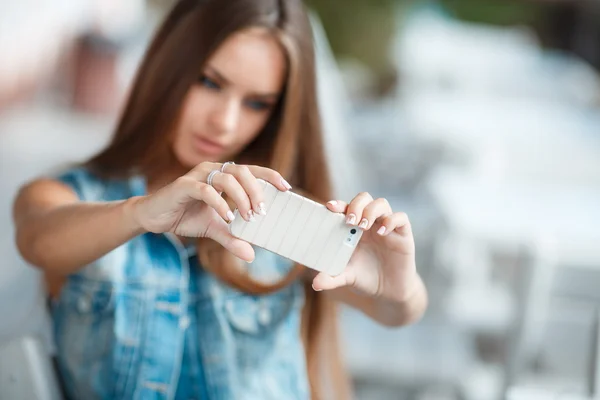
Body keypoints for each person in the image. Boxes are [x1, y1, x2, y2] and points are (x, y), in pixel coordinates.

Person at [12, 0, 428, 399]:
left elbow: (395, 313)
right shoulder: (73, 195)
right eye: (210, 82)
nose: (224, 122)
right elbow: (39, 240)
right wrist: (141, 212)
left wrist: (399, 288)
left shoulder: (284, 214)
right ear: (167, 67)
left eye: (257, 103)